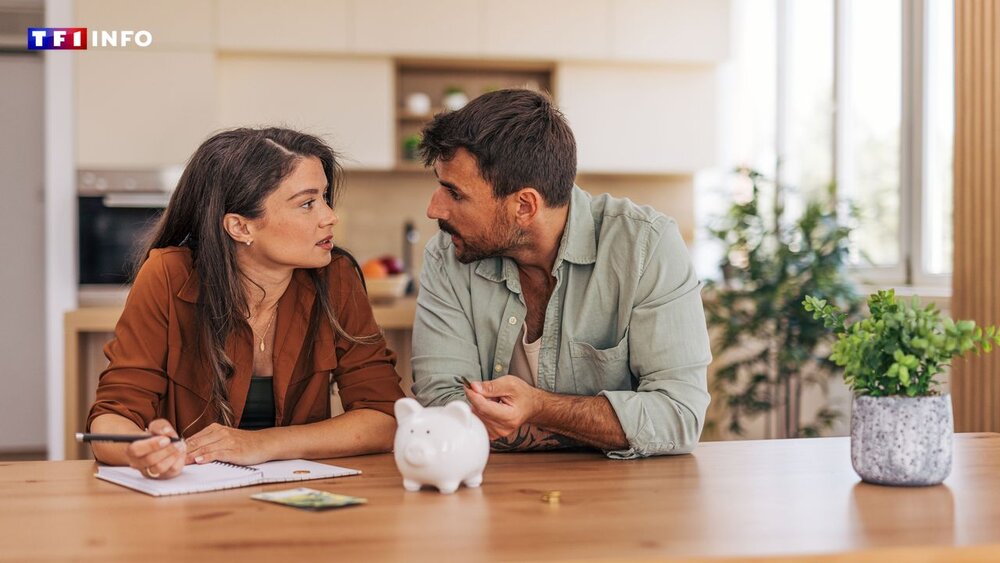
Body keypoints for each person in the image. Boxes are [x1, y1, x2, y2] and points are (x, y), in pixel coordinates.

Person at [88, 128, 405, 479]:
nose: (330, 216)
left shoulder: (337, 277)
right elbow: (110, 420)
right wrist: (141, 449)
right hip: (189, 504)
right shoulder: (167, 275)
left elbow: (384, 419)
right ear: (240, 227)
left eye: (325, 197)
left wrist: (262, 444)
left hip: (297, 500)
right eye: (307, 203)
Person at [410, 89, 711, 458]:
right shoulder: (447, 257)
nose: (433, 209)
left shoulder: (645, 248)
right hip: (491, 493)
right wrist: (602, 424)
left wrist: (540, 407)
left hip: (622, 498)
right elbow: (443, 406)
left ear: (524, 205)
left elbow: (678, 417)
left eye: (454, 194)